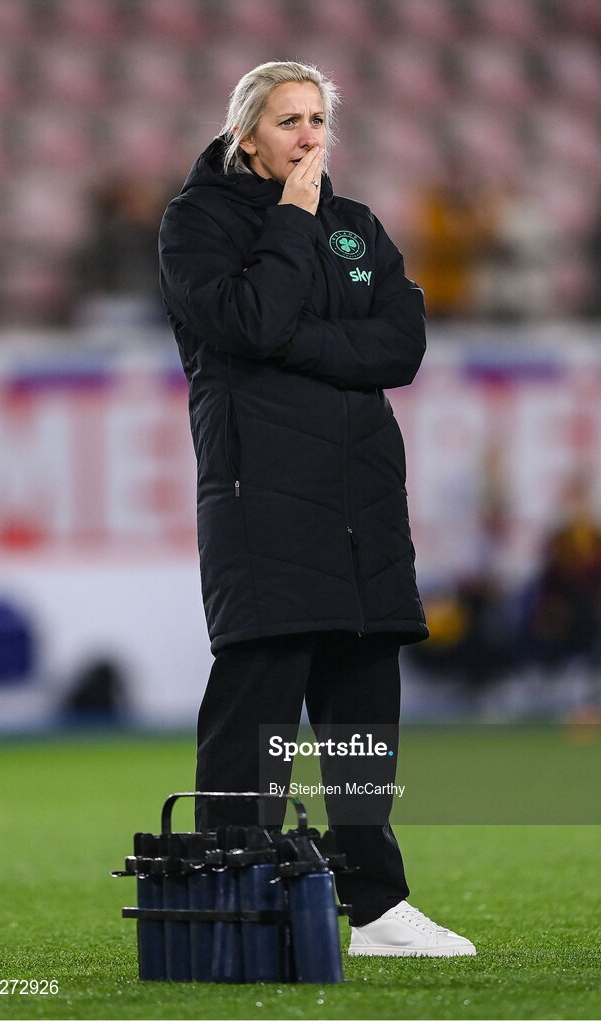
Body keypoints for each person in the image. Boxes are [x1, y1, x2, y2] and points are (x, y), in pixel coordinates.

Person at [158, 60, 476, 958]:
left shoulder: (357, 226)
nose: (307, 136)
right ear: (245, 134)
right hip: (262, 494)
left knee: (363, 717)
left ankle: (374, 906)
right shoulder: (197, 223)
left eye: (317, 119)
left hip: (361, 497)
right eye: (288, 120)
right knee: (258, 703)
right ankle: (232, 893)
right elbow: (250, 322)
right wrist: (292, 225)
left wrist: (300, 339)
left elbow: (402, 345)